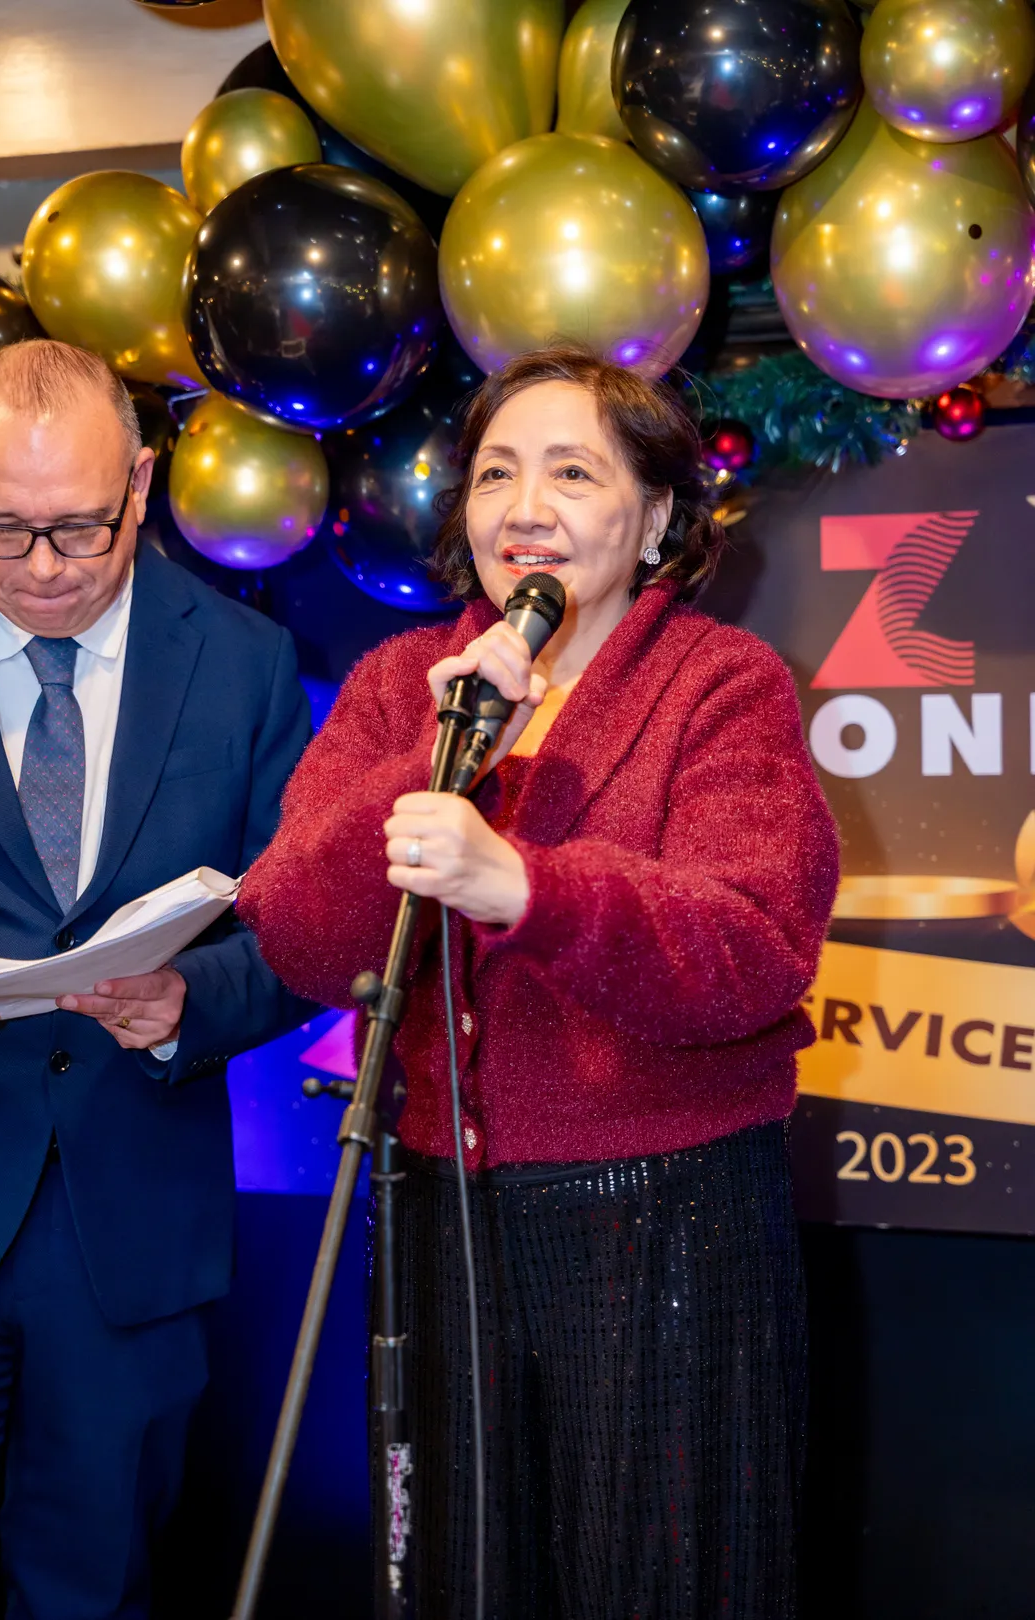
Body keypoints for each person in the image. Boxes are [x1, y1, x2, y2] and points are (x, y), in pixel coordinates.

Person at [239, 344, 840, 1619]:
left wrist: (527, 889)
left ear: (661, 515)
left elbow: (754, 947)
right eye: (498, 473)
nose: (527, 508)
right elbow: (292, 929)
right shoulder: (408, 687)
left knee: (661, 1579)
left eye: (574, 472)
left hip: (666, 1223)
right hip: (438, 1217)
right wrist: (435, 758)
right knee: (464, 1571)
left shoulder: (721, 688)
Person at [0, 339, 314, 1620]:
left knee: (92, 1589)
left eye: (76, 530)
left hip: (132, 1230)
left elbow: (304, 929)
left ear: (144, 484)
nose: (41, 570)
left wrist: (189, 1007)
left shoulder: (242, 664)